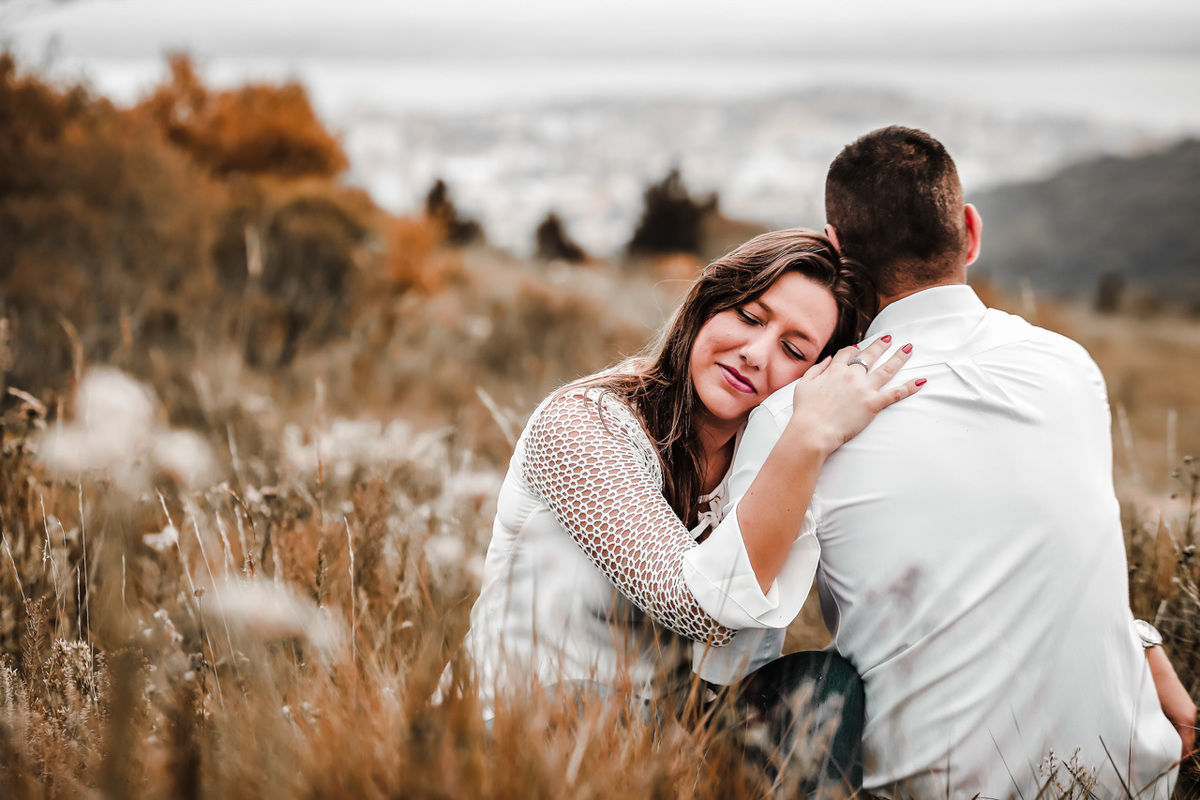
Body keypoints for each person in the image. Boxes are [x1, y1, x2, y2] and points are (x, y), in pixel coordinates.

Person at [712, 126, 1196, 797]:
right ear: (969, 232)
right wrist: (1139, 637)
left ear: (835, 250)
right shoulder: (1070, 371)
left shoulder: (797, 417)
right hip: (1133, 782)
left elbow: (737, 650)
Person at [451, 229, 923, 790]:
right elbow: (694, 605)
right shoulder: (583, 425)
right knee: (598, 701)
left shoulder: (777, 468)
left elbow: (730, 677)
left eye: (794, 350)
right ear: (707, 304)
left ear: (817, 378)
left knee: (824, 684)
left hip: (671, 741)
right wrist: (808, 436)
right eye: (750, 317)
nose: (755, 353)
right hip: (520, 728)